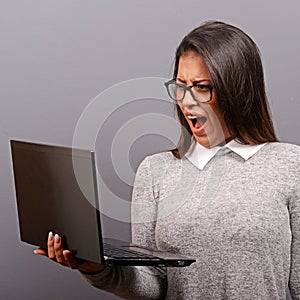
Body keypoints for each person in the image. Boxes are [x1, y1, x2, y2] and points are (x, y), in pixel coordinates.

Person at [35, 20, 300, 299]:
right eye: (181, 86)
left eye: (202, 87)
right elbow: (152, 283)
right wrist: (94, 268)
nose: (186, 102)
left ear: (238, 91)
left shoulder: (291, 166)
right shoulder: (155, 171)